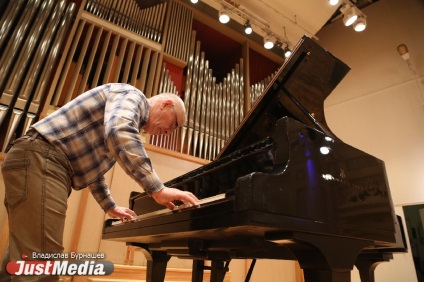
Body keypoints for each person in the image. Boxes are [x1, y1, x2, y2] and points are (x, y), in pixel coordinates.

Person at [0, 83, 198, 281]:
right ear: (165, 104)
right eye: (173, 125)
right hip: (42, 159)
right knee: (42, 264)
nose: (168, 133)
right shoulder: (133, 96)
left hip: (38, 161)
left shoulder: (122, 119)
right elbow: (120, 131)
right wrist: (158, 189)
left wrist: (109, 205)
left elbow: (91, 168)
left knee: (21, 263)